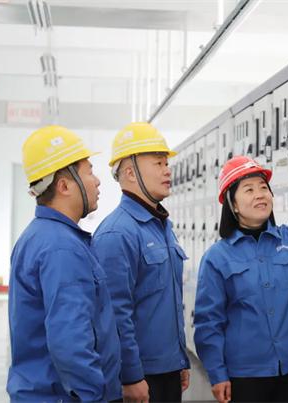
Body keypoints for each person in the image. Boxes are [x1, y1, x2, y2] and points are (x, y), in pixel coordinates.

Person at [194, 155, 288, 403]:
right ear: (233, 205)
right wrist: (217, 373)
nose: (260, 195)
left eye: (263, 188)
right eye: (249, 190)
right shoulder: (217, 258)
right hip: (246, 375)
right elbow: (208, 322)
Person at [7, 125, 122, 401]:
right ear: (64, 186)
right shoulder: (61, 248)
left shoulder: (39, 236)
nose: (97, 181)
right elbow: (70, 342)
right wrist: (92, 396)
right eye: (89, 172)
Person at [93, 122, 190, 402]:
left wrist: (179, 359)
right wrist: (131, 375)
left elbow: (167, 302)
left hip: (168, 368)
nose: (167, 170)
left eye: (166, 163)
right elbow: (115, 314)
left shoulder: (161, 226)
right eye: (158, 163)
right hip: (141, 376)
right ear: (130, 173)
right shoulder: (117, 233)